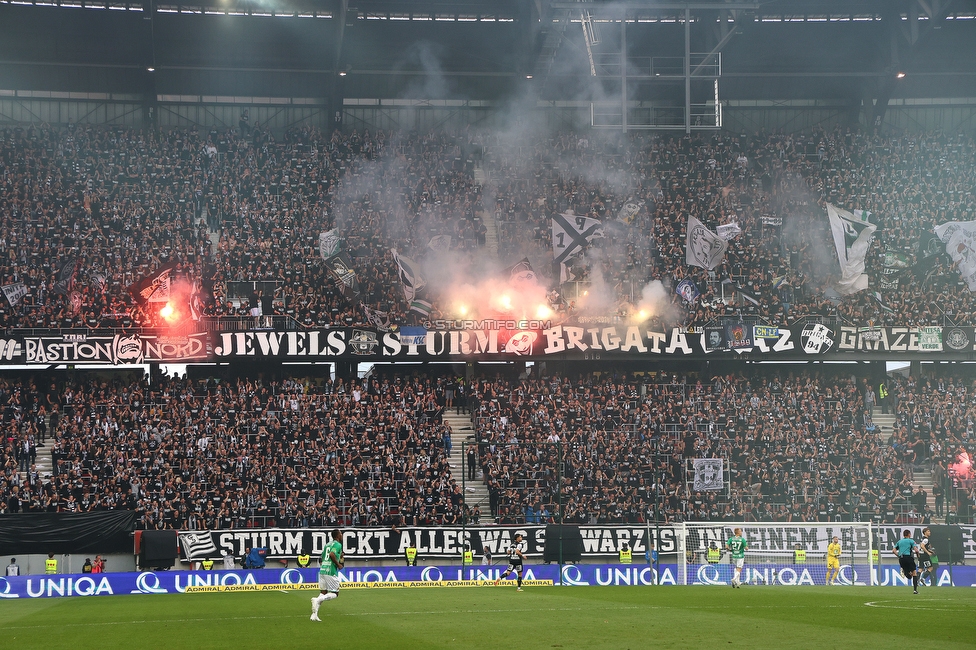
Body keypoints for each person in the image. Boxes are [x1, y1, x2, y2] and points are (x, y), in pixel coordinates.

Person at [311, 529, 344, 622]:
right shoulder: (338, 544)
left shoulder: (327, 544)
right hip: (330, 570)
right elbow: (332, 554)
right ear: (337, 536)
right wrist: (338, 565)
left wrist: (339, 556)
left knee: (323, 592)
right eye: (341, 533)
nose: (342, 535)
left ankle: (314, 615)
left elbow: (323, 556)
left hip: (323, 569)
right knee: (335, 593)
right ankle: (317, 600)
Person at [893, 529, 920, 594]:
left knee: (909, 576)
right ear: (909, 534)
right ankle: (915, 590)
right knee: (914, 573)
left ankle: (905, 572)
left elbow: (893, 550)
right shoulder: (911, 541)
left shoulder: (899, 542)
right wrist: (918, 555)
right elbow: (916, 550)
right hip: (908, 558)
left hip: (901, 559)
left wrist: (898, 556)